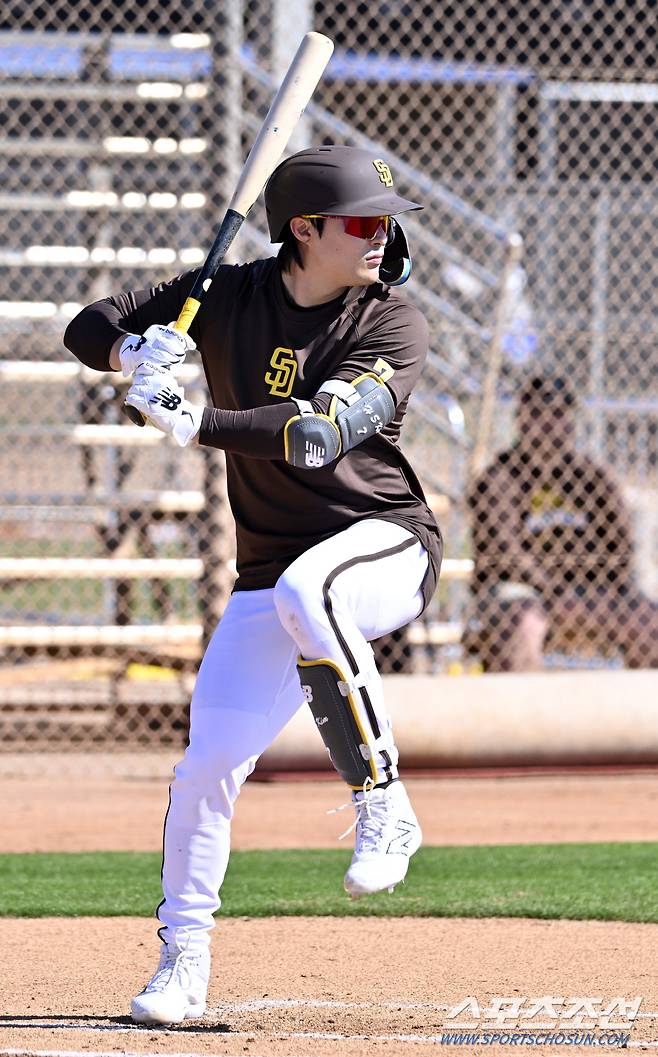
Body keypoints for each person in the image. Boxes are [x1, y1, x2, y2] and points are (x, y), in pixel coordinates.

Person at [64, 144, 443, 1026]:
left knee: (317, 594)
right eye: (361, 222)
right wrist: (133, 350)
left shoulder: (392, 320)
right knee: (207, 767)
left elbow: (322, 432)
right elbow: (87, 323)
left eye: (385, 222)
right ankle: (182, 958)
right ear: (304, 231)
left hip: (382, 542)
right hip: (271, 564)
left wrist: (195, 419)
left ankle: (383, 798)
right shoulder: (229, 292)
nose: (381, 237)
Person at [464, 374, 658, 671]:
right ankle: (524, 715)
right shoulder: (500, 477)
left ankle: (642, 712)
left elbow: (621, 546)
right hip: (524, 592)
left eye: (558, 414)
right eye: (539, 413)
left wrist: (593, 591)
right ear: (522, 419)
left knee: (647, 618)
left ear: (570, 420)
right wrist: (553, 589)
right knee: (524, 622)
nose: (549, 423)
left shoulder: (591, 477)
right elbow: (504, 553)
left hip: (589, 594)